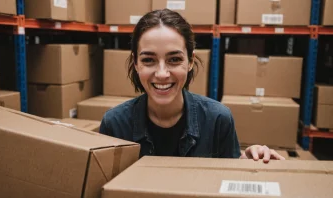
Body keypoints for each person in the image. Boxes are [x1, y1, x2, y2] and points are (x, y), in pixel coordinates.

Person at [99, 9, 285, 162]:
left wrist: (248, 163)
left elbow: (228, 184)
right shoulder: (114, 126)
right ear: (136, 63)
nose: (162, 73)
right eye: (148, 60)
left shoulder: (218, 120)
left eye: (174, 59)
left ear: (190, 61)